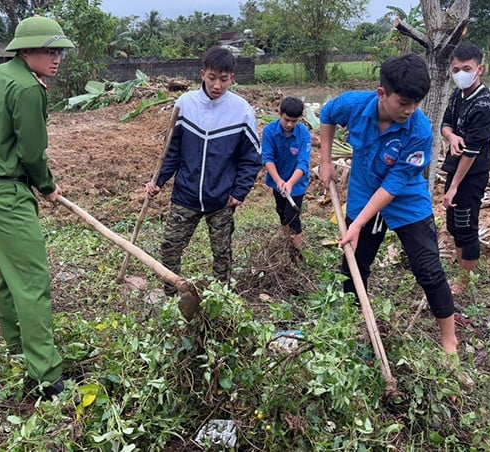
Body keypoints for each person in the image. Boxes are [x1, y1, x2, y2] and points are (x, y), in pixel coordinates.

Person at [318, 53, 458, 355]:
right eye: (403, 103)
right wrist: (325, 160)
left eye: (416, 103)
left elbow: (394, 185)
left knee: (429, 270)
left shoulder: (419, 130)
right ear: (382, 94)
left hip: (406, 199)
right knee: (354, 264)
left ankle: (449, 342)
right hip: (363, 191)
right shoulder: (354, 105)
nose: (409, 110)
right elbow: (327, 114)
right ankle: (354, 324)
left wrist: (356, 223)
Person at [0, 16, 73, 399]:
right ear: (26, 49)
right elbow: (32, 152)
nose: (56, 58)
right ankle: (47, 377)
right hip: (9, 194)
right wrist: (46, 186)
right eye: (49, 50)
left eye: (59, 51)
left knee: (8, 275)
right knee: (32, 282)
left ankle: (15, 346)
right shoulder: (30, 89)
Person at [145, 46, 262, 296]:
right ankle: (172, 295)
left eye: (223, 79)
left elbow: (251, 158)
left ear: (232, 78)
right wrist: (158, 181)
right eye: (212, 78)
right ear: (202, 74)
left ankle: (220, 298)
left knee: (222, 254)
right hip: (185, 195)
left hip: (221, 199)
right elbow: (171, 150)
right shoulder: (185, 104)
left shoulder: (241, 111)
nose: (217, 85)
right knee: (170, 247)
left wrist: (239, 192)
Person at [441, 44, 490, 297]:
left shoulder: (484, 107)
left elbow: (472, 152)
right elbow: (445, 124)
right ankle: (460, 266)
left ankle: (464, 281)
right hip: (455, 168)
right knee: (454, 224)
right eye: (456, 69)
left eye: (467, 69)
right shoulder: (458, 95)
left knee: (466, 226)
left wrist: (454, 187)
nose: (461, 73)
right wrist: (452, 137)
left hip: (471, 174)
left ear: (479, 70)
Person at [261, 96, 312, 253]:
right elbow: (267, 158)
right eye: (286, 119)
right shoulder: (269, 131)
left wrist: (289, 183)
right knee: (281, 211)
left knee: (292, 217)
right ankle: (285, 244)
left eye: (294, 121)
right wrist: (278, 181)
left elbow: (303, 163)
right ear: (279, 113)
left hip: (296, 184)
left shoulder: (304, 134)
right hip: (277, 180)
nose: (289, 124)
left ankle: (296, 253)